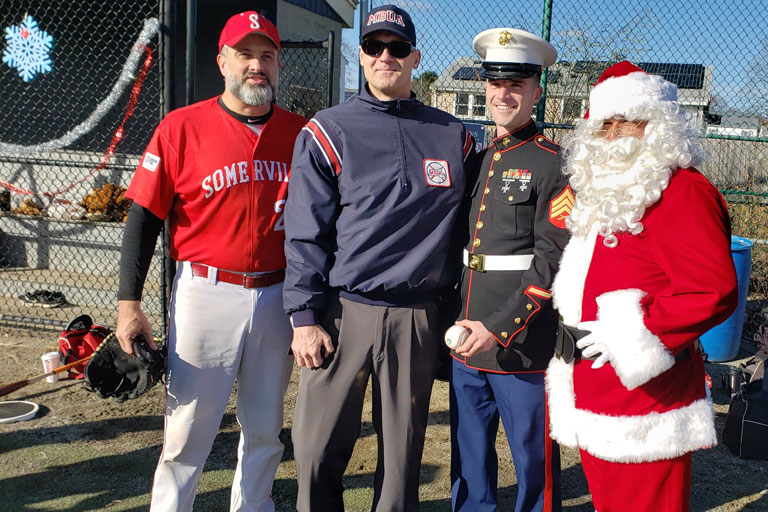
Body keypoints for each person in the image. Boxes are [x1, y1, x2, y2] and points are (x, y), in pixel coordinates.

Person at [282, 4, 475, 511]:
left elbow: (482, 219)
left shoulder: (454, 136)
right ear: (362, 56)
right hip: (343, 311)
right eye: (374, 46)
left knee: (401, 461)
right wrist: (304, 316)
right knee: (315, 448)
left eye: (397, 47)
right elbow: (306, 232)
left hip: (417, 313)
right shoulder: (327, 130)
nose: (385, 56)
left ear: (415, 57)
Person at [115, 11, 307, 512]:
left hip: (277, 294)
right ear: (222, 60)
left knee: (265, 426)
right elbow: (143, 219)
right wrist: (127, 303)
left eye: (267, 55)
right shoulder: (181, 128)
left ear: (278, 64)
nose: (257, 65)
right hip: (206, 290)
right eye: (245, 54)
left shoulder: (300, 133)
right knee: (186, 431)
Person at [546, 60, 738, 511]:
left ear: (659, 126)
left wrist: (627, 335)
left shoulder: (682, 190)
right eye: (605, 125)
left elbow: (711, 290)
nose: (615, 136)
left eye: (628, 122)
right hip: (596, 386)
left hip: (645, 394)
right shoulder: (605, 190)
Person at [448, 28, 570, 512]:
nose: (504, 93)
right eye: (495, 82)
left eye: (516, 83)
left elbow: (551, 259)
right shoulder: (476, 160)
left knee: (532, 459)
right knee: (469, 453)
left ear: (537, 91)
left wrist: (497, 328)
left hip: (522, 341)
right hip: (465, 333)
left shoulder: (553, 164)